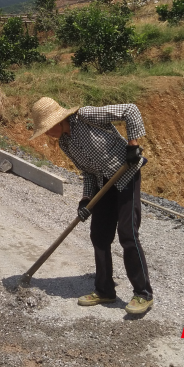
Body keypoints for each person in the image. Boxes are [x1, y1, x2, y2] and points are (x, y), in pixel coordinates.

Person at [29, 97, 153, 315]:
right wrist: (86, 199)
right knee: (99, 236)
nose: (47, 133)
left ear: (59, 121)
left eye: (48, 128)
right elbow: (87, 172)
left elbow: (131, 110)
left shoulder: (87, 116)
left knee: (128, 234)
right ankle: (104, 290)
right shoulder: (65, 143)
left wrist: (132, 145)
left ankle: (143, 293)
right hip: (103, 184)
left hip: (126, 174)